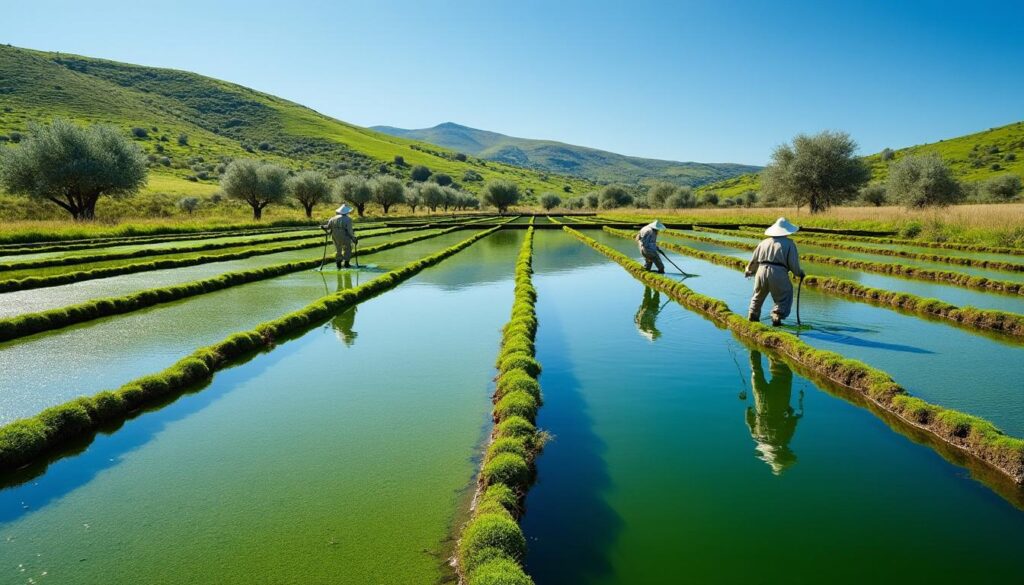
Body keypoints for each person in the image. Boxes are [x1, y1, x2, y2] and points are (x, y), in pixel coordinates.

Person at [745, 350, 802, 475]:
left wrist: (792, 413)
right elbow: (748, 420)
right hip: (761, 403)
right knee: (757, 371)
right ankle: (757, 346)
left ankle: (772, 348)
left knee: (783, 374)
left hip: (778, 402)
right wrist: (748, 411)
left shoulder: (783, 440)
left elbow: (792, 422)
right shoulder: (758, 437)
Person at [745, 217, 805, 326]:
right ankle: (777, 316)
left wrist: (750, 271)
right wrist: (799, 273)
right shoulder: (789, 244)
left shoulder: (763, 242)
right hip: (778, 272)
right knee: (784, 295)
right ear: (787, 232)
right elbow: (793, 264)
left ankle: (752, 315)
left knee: (758, 295)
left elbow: (754, 260)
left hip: (761, 271)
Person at [321, 204, 357, 269]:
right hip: (345, 236)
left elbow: (328, 227)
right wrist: (353, 238)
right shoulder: (348, 219)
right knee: (348, 249)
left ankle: (338, 265)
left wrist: (323, 227)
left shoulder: (332, 218)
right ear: (347, 212)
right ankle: (346, 264)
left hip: (335, 236)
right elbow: (350, 230)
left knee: (338, 249)